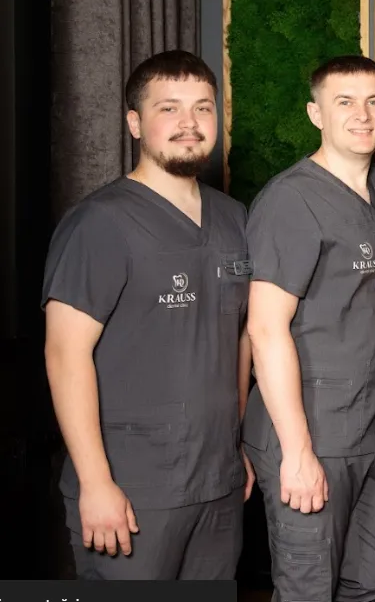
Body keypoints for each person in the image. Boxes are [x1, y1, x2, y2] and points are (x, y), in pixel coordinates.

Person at [42, 50, 254, 579]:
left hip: (218, 484)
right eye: (169, 109)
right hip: (134, 491)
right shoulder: (100, 223)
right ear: (135, 122)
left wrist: (235, 449)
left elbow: (241, 339)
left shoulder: (235, 218)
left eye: (203, 108)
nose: (189, 123)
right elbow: (65, 354)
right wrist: (95, 484)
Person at [241, 55, 375, 602]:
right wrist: (296, 452)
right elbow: (266, 330)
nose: (362, 115)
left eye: (374, 101)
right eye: (345, 102)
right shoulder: (290, 201)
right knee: (308, 589)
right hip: (312, 434)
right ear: (316, 113)